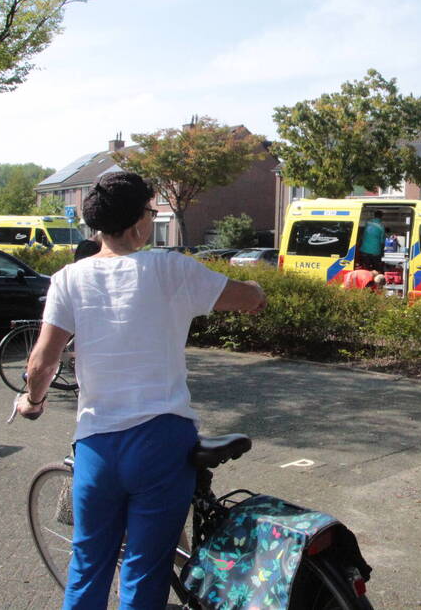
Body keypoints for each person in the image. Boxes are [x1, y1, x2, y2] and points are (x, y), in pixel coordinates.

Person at [15, 172, 266, 609]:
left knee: (88, 565)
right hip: (162, 441)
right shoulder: (170, 268)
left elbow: (41, 362)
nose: (152, 219)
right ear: (137, 225)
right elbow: (247, 299)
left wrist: (31, 402)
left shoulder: (68, 279)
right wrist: (258, 290)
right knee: (145, 572)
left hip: (97, 444)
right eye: (151, 212)